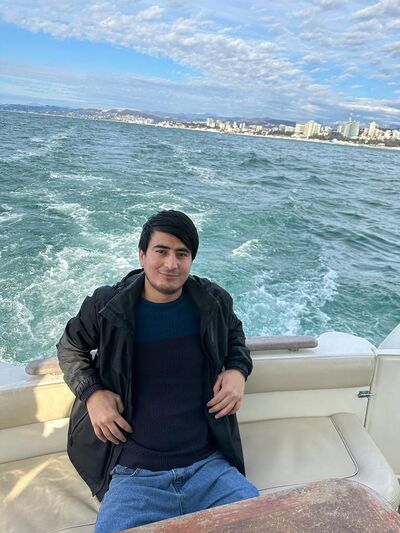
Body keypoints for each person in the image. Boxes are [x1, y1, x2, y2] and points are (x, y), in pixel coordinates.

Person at [57, 210, 259, 532]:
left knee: (268, 522)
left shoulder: (213, 302)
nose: (171, 264)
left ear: (191, 259)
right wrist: (92, 395)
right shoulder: (107, 306)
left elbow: (235, 336)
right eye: (161, 251)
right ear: (142, 255)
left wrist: (237, 369)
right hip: (135, 476)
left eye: (182, 254)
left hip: (209, 468)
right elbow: (69, 347)